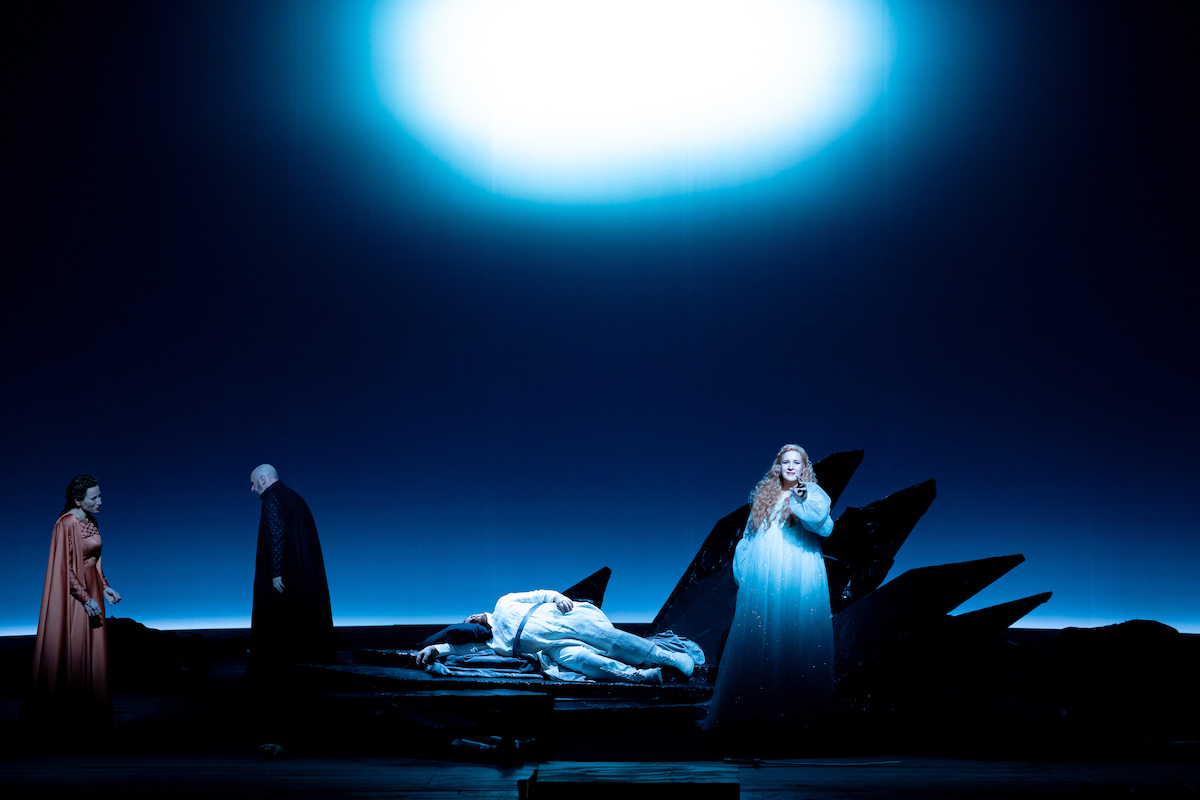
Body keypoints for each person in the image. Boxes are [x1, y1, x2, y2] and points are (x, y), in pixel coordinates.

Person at [703, 444, 835, 732]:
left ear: (804, 468)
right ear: (778, 467)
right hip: (766, 574)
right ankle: (756, 709)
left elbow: (825, 528)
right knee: (763, 633)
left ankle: (791, 711)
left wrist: (802, 500)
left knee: (794, 631)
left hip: (798, 570)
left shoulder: (812, 494)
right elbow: (748, 538)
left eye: (796, 462)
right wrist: (746, 574)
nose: (791, 467)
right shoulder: (764, 496)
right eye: (786, 462)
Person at [416, 589, 696, 683]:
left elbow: (538, 594)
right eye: (467, 623)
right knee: (586, 663)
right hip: (550, 647)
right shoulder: (491, 642)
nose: (471, 621)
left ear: (479, 613)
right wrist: (437, 649)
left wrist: (557, 597)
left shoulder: (504, 603)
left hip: (560, 619)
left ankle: (671, 658)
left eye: (471, 617)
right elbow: (462, 650)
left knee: (611, 640)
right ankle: (639, 677)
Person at [24, 474, 122, 726]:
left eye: (100, 496)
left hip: (92, 589)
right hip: (74, 596)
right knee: (75, 647)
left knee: (93, 649)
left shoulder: (92, 521)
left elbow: (95, 561)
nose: (100, 501)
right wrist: (86, 598)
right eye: (94, 498)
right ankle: (68, 713)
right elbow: (63, 568)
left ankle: (92, 711)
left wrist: (105, 587)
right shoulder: (65, 524)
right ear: (78, 500)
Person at [247, 464, 338, 680]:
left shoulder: (272, 498)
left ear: (262, 480)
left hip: (284, 574)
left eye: (253, 483)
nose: (252, 489)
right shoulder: (293, 497)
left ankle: (278, 672)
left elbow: (277, 534)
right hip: (300, 575)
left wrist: (276, 572)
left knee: (277, 620)